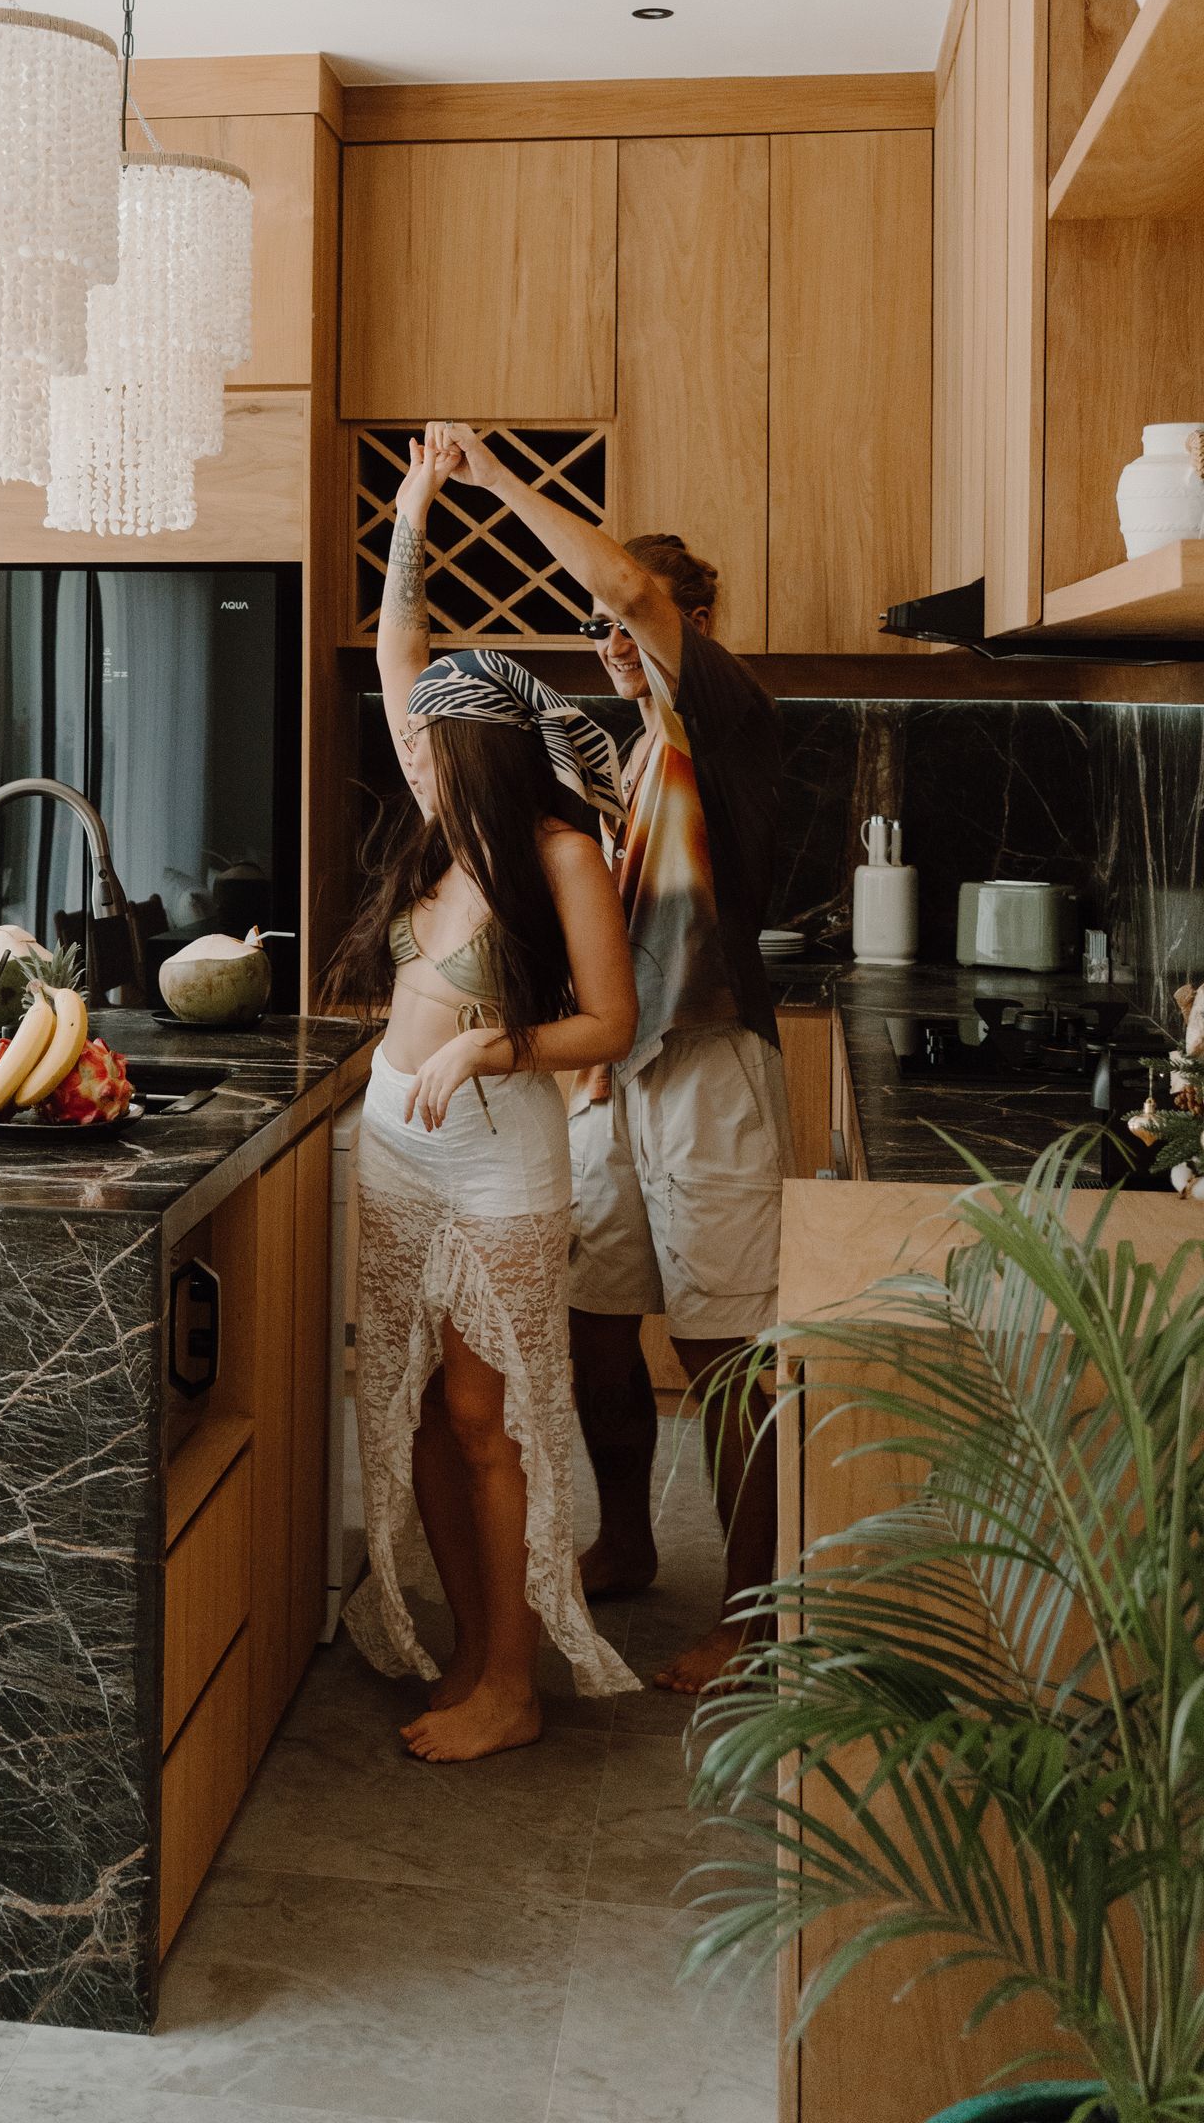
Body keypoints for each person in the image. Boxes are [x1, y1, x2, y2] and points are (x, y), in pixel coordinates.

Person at [434, 424, 793, 1697]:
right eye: (594, 629)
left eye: (627, 621)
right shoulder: (633, 753)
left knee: (723, 1352)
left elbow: (631, 589)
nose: (610, 639)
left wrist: (492, 479)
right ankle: (629, 1541)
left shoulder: (721, 715)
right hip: (616, 1075)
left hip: (708, 1070)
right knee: (596, 1328)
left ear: (692, 623)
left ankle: (755, 1616)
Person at [327, 428, 641, 1762]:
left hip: (500, 1154)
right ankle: (471, 1647)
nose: (421, 753)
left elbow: (611, 1022)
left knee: (484, 1416)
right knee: (408, 1401)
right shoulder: (445, 819)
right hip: (399, 1146)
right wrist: (411, 506)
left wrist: (483, 1051)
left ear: (492, 755)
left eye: (441, 743)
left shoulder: (560, 853)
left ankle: (514, 1681)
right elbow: (400, 651)